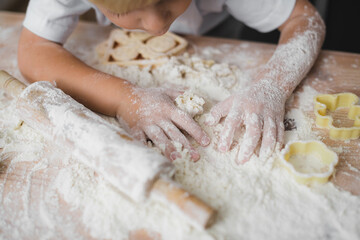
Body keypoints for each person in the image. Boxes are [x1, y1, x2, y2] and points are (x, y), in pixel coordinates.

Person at [18, 0, 325, 163]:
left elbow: (304, 20)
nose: (155, 25)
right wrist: (124, 97)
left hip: (220, 27)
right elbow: (34, 52)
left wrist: (270, 85)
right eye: (118, 11)